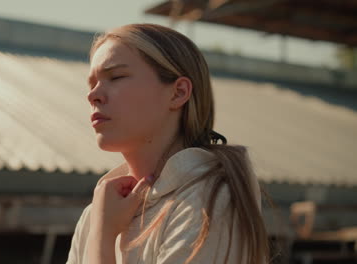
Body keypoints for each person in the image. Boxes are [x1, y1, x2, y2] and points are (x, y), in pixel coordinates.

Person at [66, 23, 269, 264]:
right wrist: (101, 227)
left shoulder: (212, 200)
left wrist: (102, 238)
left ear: (178, 92)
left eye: (116, 77)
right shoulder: (97, 213)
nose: (93, 95)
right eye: (92, 84)